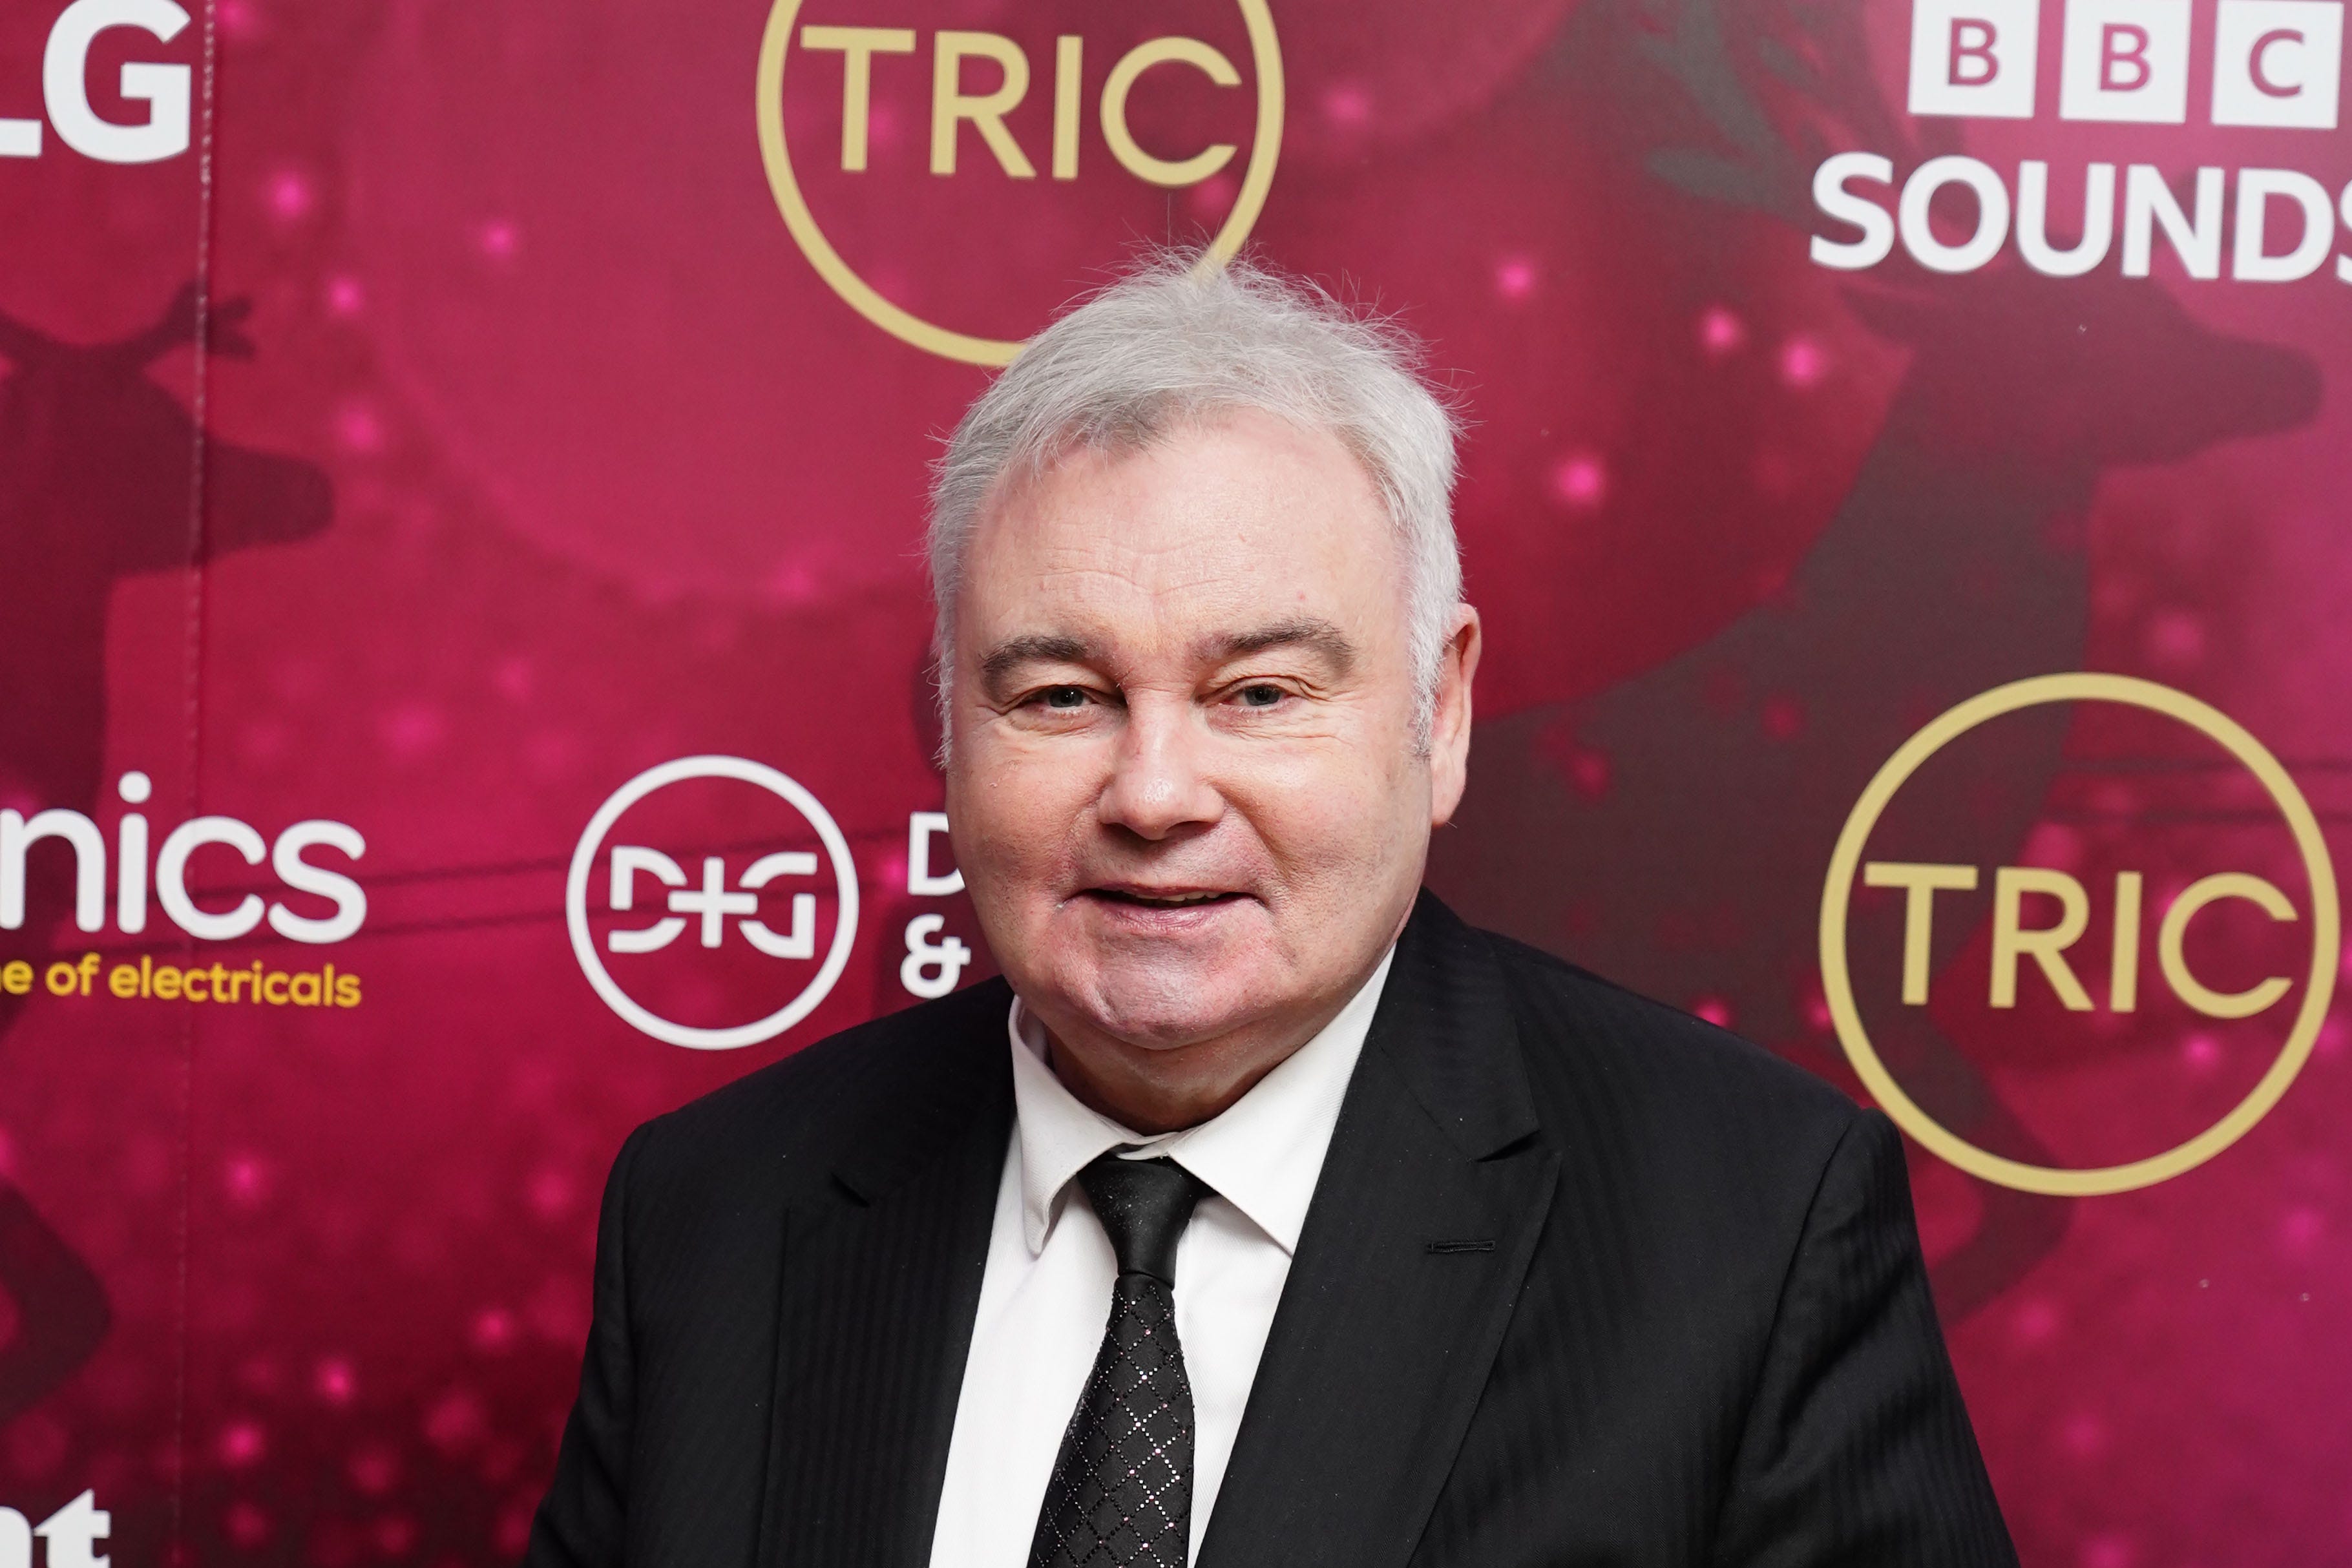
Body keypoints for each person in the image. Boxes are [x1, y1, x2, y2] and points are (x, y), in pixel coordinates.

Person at [522, 255, 2017, 1568]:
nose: (1155, 791)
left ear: (1437, 714)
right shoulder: (716, 1214)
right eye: (1062, 695)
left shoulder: (1745, 1225)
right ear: (947, 722)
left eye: (1258, 693)